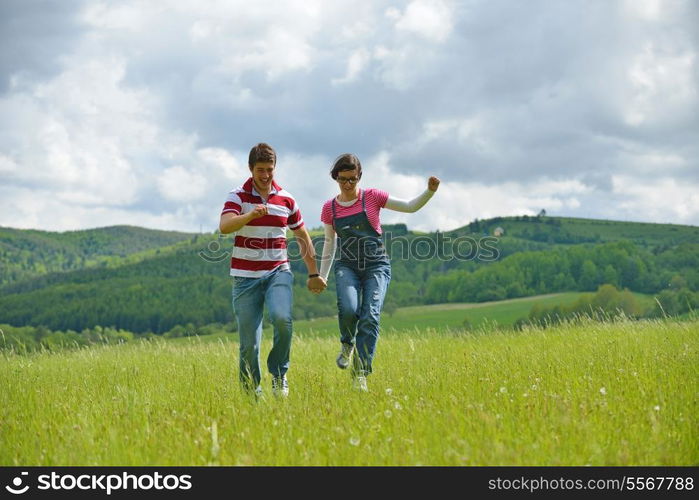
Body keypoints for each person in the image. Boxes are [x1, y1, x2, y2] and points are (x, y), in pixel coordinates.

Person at [318, 153, 440, 391]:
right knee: (349, 309)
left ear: (359, 177)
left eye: (353, 179)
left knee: (370, 315)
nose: (348, 184)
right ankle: (347, 344)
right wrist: (321, 275)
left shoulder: (373, 197)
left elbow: (409, 207)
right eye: (343, 179)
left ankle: (360, 373)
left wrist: (430, 191)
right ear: (336, 178)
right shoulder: (329, 208)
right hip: (347, 266)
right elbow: (329, 243)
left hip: (376, 265)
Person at [219, 143, 327, 398]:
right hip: (245, 278)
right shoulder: (237, 196)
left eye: (270, 170)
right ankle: (252, 392)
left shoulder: (286, 199)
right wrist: (249, 216)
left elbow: (302, 235)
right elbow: (224, 226)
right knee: (249, 344)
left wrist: (314, 273)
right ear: (250, 169)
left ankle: (279, 374)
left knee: (282, 319)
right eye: (260, 170)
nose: (266, 175)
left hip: (278, 271)